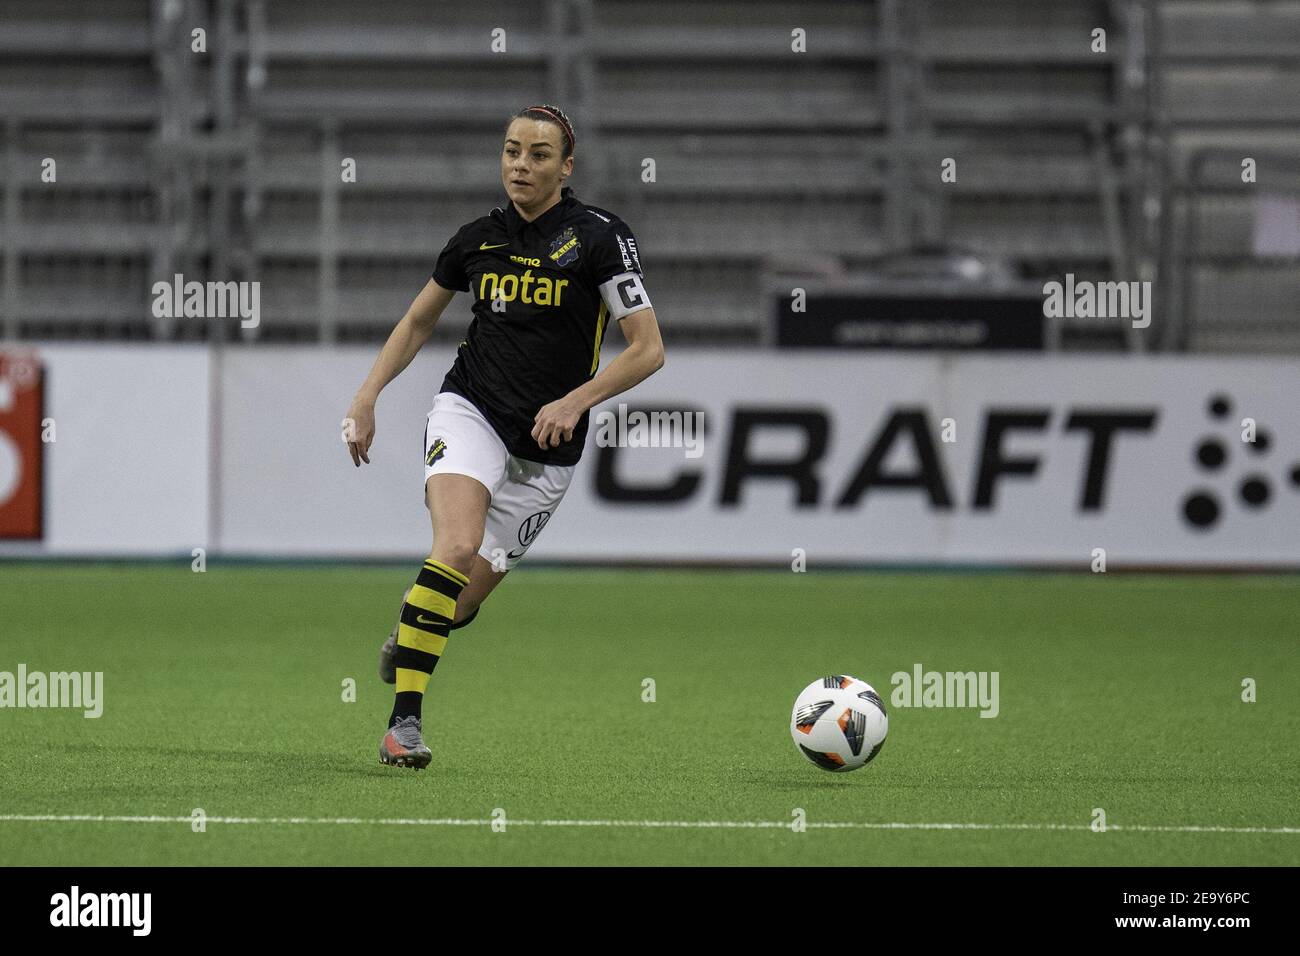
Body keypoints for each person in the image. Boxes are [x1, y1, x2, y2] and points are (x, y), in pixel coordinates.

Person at [344, 104, 665, 769]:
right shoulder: (475, 240)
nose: (522, 165)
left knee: (455, 605)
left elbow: (647, 350)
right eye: (512, 151)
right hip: (472, 410)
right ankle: (404, 724)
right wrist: (368, 394)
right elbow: (415, 324)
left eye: (539, 155)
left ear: (565, 167)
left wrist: (576, 401)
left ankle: (413, 628)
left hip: (547, 451)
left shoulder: (601, 238)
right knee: (455, 545)